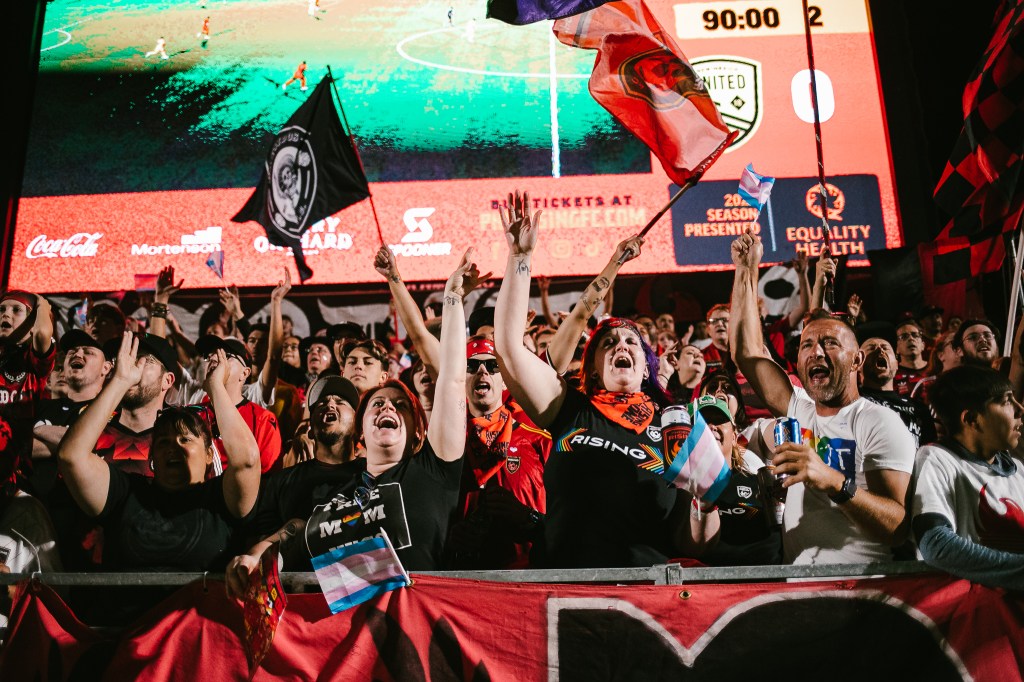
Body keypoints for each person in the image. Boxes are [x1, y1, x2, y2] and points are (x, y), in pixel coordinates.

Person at [225, 250, 478, 590]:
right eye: (376, 404)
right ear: (361, 430)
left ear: (419, 430)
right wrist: (255, 558)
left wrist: (452, 298)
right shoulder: (341, 498)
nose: (386, 408)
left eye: (400, 405)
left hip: (421, 632)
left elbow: (452, 378)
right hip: (355, 637)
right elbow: (297, 536)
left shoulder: (435, 470)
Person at [493, 190, 684, 568]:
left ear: (647, 367)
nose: (621, 345)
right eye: (608, 342)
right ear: (592, 367)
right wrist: (519, 260)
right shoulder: (569, 409)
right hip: (567, 591)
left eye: (631, 340)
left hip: (648, 594)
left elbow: (693, 529)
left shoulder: (675, 423)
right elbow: (509, 350)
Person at [730, 229, 916, 565]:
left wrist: (835, 483)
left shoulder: (878, 423)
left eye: (830, 343)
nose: (816, 352)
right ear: (798, 362)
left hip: (862, 589)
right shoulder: (798, 410)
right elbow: (747, 352)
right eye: (806, 345)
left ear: (857, 360)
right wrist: (745, 271)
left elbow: (898, 527)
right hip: (802, 590)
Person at [58, 333, 260, 620]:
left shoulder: (219, 500)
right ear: (152, 460)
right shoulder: (128, 493)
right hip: (131, 641)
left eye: (185, 439)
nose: (173, 446)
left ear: (208, 455)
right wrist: (119, 382)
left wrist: (215, 386)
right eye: (163, 442)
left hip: (198, 641)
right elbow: (71, 457)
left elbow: (248, 461)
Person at [912, 365, 1024, 589]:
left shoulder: (1019, 469)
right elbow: (936, 545)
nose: (1020, 409)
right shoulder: (936, 459)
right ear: (972, 419)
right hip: (978, 614)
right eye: (1006, 401)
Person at [447, 336, 550, 569]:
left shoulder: (539, 441)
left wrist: (529, 520)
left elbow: (567, 518)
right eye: (471, 367)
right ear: (460, 379)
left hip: (529, 579)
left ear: (505, 382)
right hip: (460, 585)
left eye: (493, 366)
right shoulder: (444, 445)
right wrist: (448, 536)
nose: (482, 371)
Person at [678, 395, 781, 566]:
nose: (711, 426)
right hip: (708, 585)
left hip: (769, 581)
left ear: (734, 437)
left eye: (719, 420)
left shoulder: (760, 482)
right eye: (701, 420)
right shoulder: (679, 487)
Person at [859, 336, 936, 448]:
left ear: (896, 363)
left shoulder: (918, 408)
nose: (880, 350)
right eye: (871, 348)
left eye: (886, 348)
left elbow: (929, 449)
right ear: (858, 361)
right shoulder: (852, 401)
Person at [893, 320, 929, 398]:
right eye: (904, 337)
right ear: (897, 349)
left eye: (915, 335)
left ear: (923, 345)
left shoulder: (936, 369)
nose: (911, 339)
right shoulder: (892, 375)